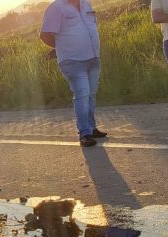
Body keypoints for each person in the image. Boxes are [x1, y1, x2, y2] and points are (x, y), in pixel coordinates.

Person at [40, 0, 108, 147]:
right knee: (82, 94)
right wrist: (62, 46)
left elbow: (91, 25)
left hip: (93, 57)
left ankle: (91, 128)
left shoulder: (86, 4)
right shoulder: (56, 7)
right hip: (72, 60)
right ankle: (84, 133)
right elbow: (45, 34)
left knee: (91, 94)